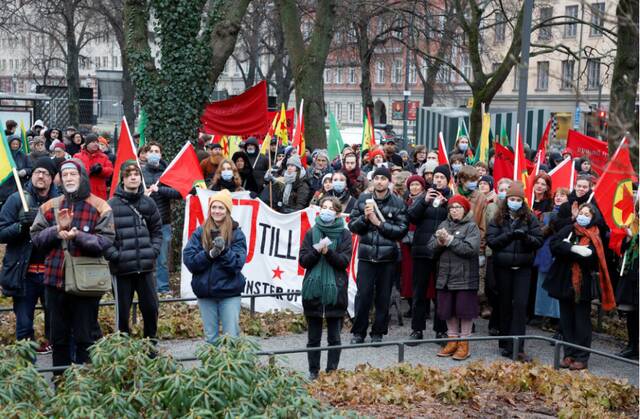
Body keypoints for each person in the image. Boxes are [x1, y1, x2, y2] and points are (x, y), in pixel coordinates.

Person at [30, 159, 115, 373]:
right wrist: (55, 231)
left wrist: (78, 236)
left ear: (82, 176)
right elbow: (36, 239)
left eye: (73, 174)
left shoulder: (100, 206)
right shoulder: (49, 206)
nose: (68, 178)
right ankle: (61, 387)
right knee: (58, 339)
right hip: (54, 282)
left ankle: (84, 389)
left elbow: (105, 241)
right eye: (65, 175)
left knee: (85, 338)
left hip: (86, 284)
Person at [545, 203, 616, 370]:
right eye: (581, 213)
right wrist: (573, 248)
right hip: (563, 281)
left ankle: (581, 357)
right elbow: (554, 245)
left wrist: (567, 250)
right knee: (566, 320)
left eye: (587, 214)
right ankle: (568, 354)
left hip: (582, 285)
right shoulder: (569, 229)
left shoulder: (595, 235)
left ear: (593, 218)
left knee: (581, 321)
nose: (583, 216)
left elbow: (590, 258)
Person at [0, 158, 59, 354]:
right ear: (32, 175)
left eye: (46, 173)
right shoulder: (17, 199)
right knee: (24, 327)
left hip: (53, 274)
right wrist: (20, 226)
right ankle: (27, 375)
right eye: (37, 172)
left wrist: (45, 225)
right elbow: (1, 232)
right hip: (24, 275)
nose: (41, 176)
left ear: (52, 179)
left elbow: (67, 232)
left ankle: (59, 375)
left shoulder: (59, 202)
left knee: (57, 327)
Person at [348, 167, 408, 344]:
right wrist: (365, 219)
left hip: (387, 258)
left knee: (383, 297)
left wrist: (378, 223)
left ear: (389, 181)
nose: (380, 181)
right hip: (366, 256)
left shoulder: (398, 203)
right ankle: (358, 332)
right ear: (373, 181)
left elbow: (401, 231)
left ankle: (378, 333)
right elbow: (352, 226)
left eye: (383, 178)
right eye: (377, 178)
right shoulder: (363, 199)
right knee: (363, 295)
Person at [106, 161, 162, 340]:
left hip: (145, 267)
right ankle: (124, 348)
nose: (133, 177)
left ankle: (150, 345)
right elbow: (105, 236)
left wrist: (153, 251)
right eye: (129, 174)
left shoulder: (149, 203)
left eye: (136, 174)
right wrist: (115, 256)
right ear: (122, 179)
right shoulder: (112, 205)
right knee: (122, 313)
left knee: (151, 309)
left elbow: (157, 231)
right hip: (122, 269)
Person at [487, 182, 543, 360]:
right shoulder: (497, 218)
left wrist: (525, 237)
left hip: (523, 268)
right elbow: (492, 242)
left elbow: (538, 240)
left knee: (519, 305)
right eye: (512, 199)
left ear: (523, 201)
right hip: (503, 267)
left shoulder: (530, 218)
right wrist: (509, 235)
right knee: (504, 304)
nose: (514, 202)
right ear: (507, 200)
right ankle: (505, 342)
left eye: (518, 199)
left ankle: (518, 346)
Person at [183, 189, 247, 343]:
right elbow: (190, 261)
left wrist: (224, 251)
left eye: (221, 208)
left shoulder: (237, 234)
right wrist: (208, 255)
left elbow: (237, 264)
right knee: (211, 338)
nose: (217, 211)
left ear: (227, 210)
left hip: (229, 292)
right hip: (206, 292)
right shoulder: (200, 232)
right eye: (214, 207)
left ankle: (230, 367)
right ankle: (212, 368)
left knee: (231, 338)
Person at [299, 196, 352, 379]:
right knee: (313, 338)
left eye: (331, 208)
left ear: (337, 213)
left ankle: (331, 372)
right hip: (313, 292)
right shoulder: (311, 232)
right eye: (324, 207)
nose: (326, 210)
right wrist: (316, 251)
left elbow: (344, 262)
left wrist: (328, 253)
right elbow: (303, 261)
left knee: (334, 337)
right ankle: (313, 371)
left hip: (335, 291)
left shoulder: (345, 234)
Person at [428, 195, 480, 360]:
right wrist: (439, 242)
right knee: (448, 310)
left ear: (465, 209)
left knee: (464, 311)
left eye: (458, 207)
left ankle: (464, 344)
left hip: (465, 276)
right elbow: (430, 248)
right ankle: (452, 341)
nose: (454, 210)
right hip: (445, 275)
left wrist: (450, 240)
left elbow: (470, 249)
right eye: (451, 207)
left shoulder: (471, 227)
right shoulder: (444, 224)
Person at [407, 165, 452, 341]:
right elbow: (411, 216)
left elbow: (459, 218)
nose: (438, 180)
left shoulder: (451, 198)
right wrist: (424, 201)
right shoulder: (423, 196)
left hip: (443, 252)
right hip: (422, 250)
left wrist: (447, 204)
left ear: (447, 180)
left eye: (442, 177)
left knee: (441, 291)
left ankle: (440, 330)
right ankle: (417, 329)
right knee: (419, 292)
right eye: (436, 177)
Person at [141, 142, 183, 294]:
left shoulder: (167, 174)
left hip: (163, 222)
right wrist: (141, 193)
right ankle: (145, 288)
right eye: (150, 151)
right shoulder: (139, 172)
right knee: (143, 256)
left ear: (161, 155)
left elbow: (178, 193)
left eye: (156, 151)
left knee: (162, 258)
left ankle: (163, 288)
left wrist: (160, 190)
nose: (153, 153)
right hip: (143, 222)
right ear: (145, 154)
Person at [533, 188, 569, 335]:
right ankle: (545, 316)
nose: (559, 197)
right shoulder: (547, 214)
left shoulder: (571, 215)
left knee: (557, 286)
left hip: (559, 253)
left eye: (563, 195)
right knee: (543, 286)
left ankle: (557, 319)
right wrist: (547, 228)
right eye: (557, 195)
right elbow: (540, 232)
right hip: (545, 253)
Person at [484, 178, 513, 334]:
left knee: (506, 291)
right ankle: (495, 319)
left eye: (507, 189)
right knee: (492, 288)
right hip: (492, 253)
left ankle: (500, 323)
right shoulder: (491, 208)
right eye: (501, 189)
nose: (504, 192)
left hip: (510, 255)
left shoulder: (517, 210)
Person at [399, 175, 426, 318]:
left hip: (422, 242)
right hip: (407, 243)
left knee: (423, 277)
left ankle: (424, 306)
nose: (414, 187)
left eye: (417, 184)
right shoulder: (406, 202)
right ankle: (412, 304)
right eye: (412, 185)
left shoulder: (427, 200)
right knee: (408, 275)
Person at [615, 214, 639, 359]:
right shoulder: (633, 224)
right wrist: (629, 238)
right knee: (632, 314)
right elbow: (622, 250)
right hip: (632, 274)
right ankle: (632, 345)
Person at [73, 133, 114, 200]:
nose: (96, 144)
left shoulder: (103, 157)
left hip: (99, 192)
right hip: (82, 191)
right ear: (87, 144)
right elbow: (74, 170)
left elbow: (110, 170)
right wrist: (89, 171)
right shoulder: (77, 156)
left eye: (97, 142)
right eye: (93, 142)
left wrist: (101, 170)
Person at [0, 135, 32, 210]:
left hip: (17, 186)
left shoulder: (23, 156)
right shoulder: (5, 156)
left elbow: (30, 168)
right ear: (9, 144)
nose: (15, 146)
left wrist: (24, 171)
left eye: (16, 144)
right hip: (4, 186)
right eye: (13, 144)